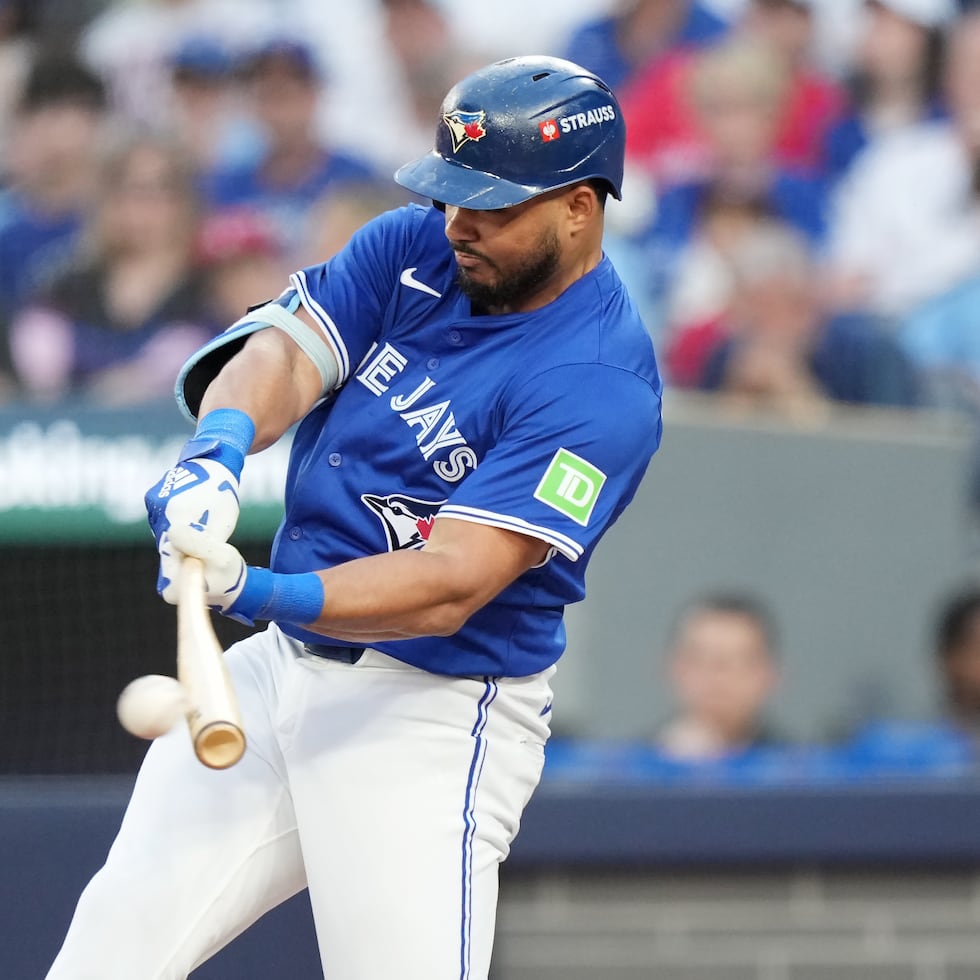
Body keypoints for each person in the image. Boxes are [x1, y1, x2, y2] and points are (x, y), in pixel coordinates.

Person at [46, 55, 663, 979]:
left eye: (492, 204)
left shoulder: (600, 384)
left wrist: (257, 587)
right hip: (280, 670)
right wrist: (217, 447)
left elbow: (452, 581)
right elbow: (291, 353)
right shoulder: (417, 245)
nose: (460, 224)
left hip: (430, 711)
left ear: (579, 206)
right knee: (110, 951)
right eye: (454, 193)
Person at [9, 131, 213, 405]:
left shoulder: (210, 288)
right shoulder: (68, 283)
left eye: (157, 191)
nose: (140, 207)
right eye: (126, 190)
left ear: (185, 199)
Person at [695, 221, 920, 410]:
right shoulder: (726, 356)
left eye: (766, 311)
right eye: (745, 314)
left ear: (807, 306)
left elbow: (891, 450)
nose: (747, 326)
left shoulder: (872, 355)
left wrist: (797, 396)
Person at [656, 593, 782, 760]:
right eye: (702, 659)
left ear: (768, 673)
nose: (718, 677)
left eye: (736, 661)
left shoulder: (798, 770)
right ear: (676, 667)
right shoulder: (632, 770)